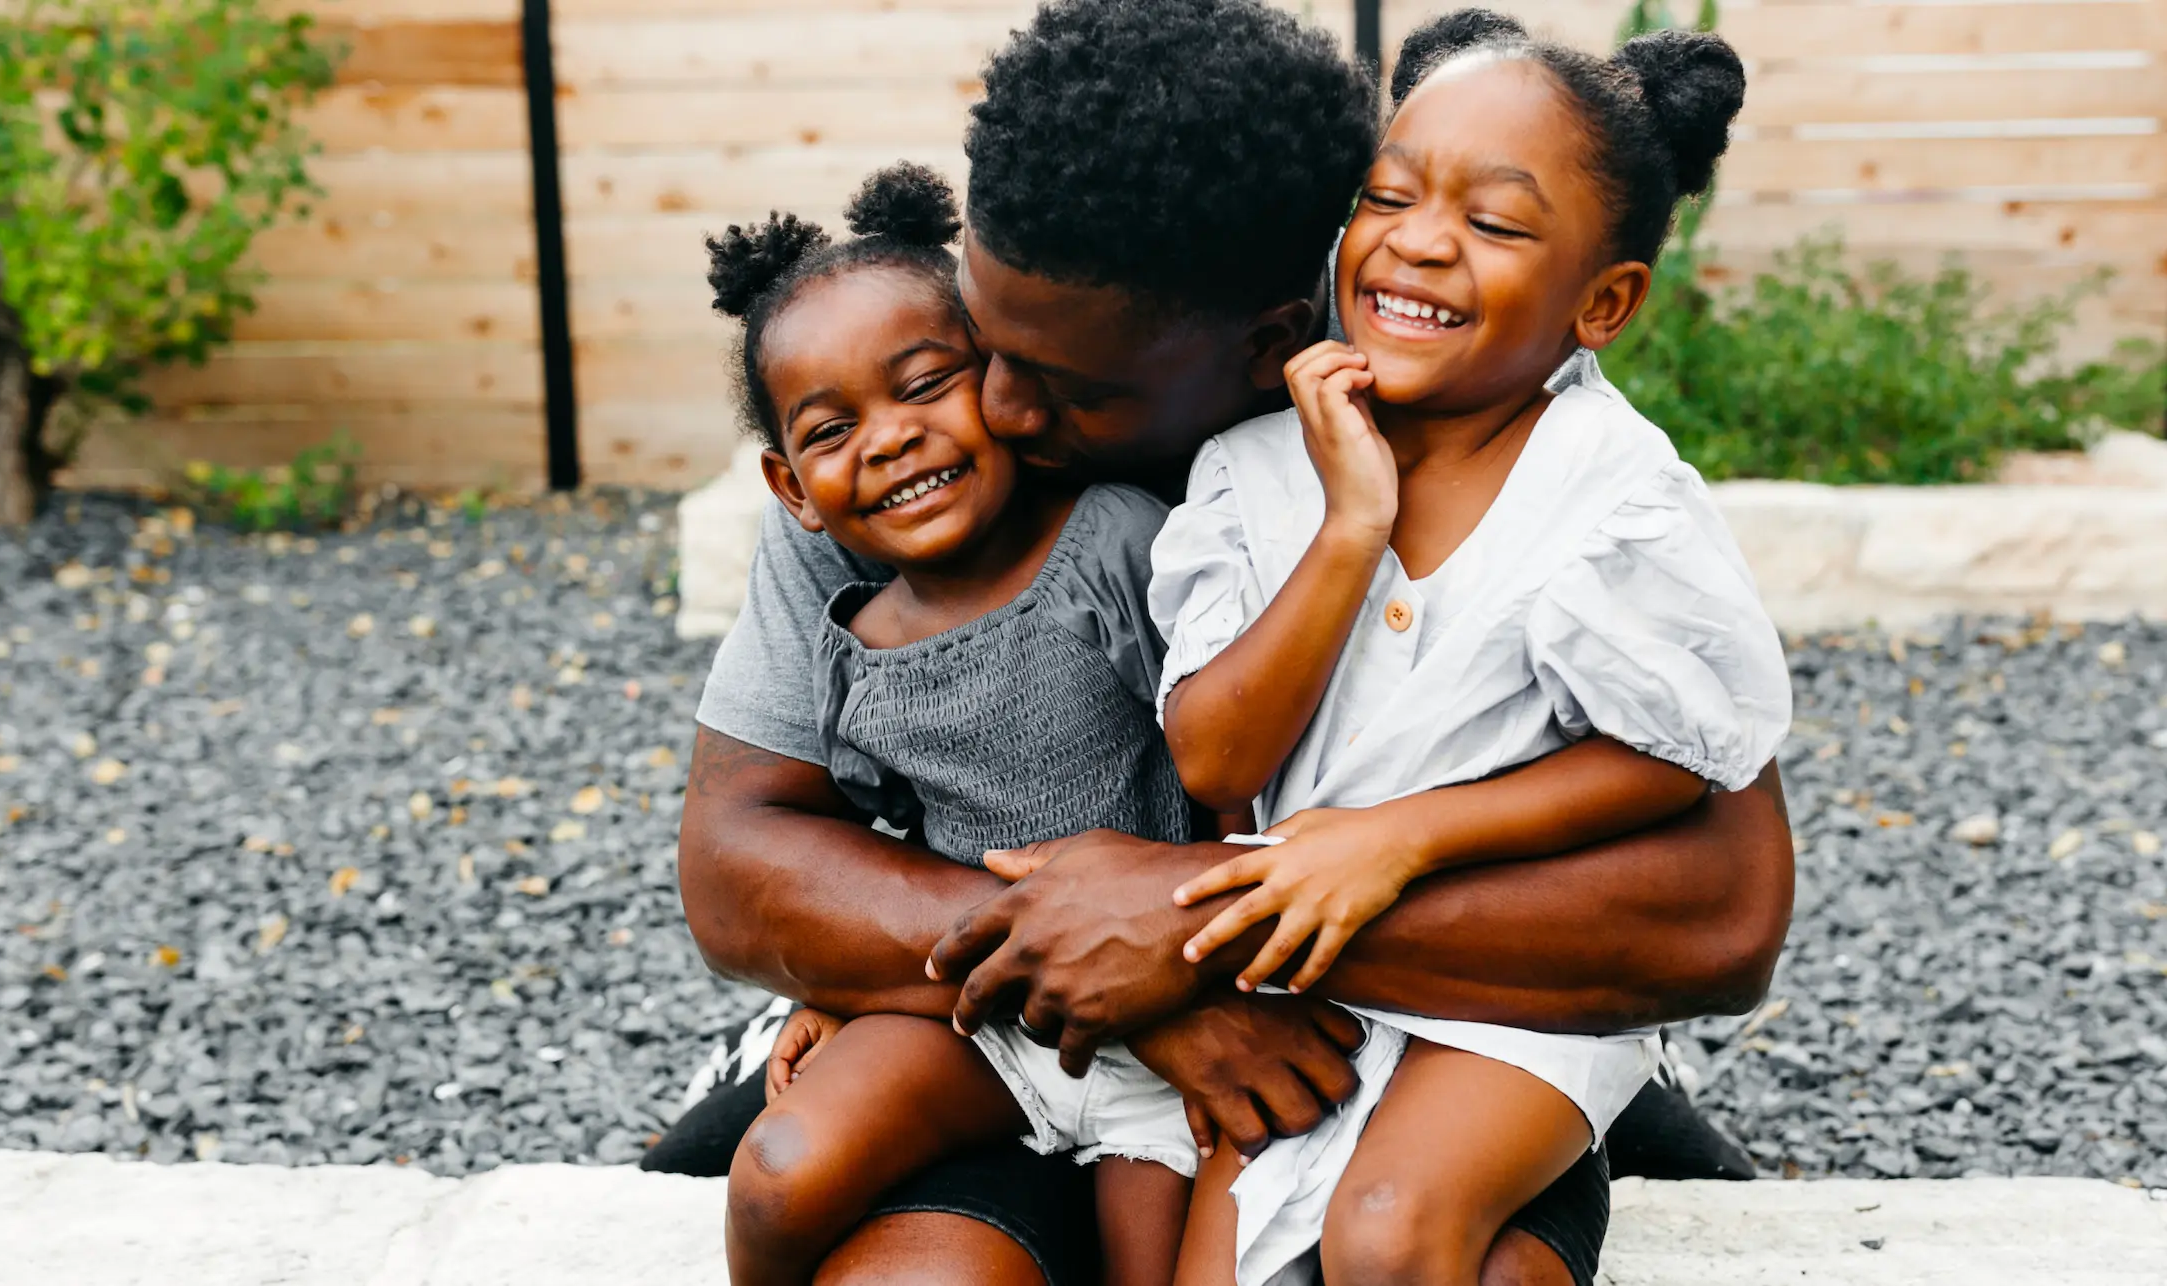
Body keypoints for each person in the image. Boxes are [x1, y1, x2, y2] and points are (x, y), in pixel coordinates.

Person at [651, 3, 1794, 1283]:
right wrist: (1143, 975)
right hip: (1005, 1018)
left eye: (1076, 388)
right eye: (984, 342)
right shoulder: (906, 430)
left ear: (1269, 347)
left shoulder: (1444, 397)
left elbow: (1724, 911)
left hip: (1392, 1023)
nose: (1001, 406)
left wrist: (1194, 935)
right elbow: (738, 859)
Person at [1145, 23, 1780, 1285]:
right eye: (1387, 196)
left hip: (1511, 998)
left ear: (1602, 302)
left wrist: (1403, 834)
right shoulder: (1254, 474)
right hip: (1302, 985)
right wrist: (1351, 525)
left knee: (1390, 1230)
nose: (1420, 240)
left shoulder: (1612, 500)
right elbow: (1216, 749)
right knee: (1216, 1264)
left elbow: (1675, 755)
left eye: (1494, 224)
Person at [703, 163, 1201, 1286]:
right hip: (979, 1004)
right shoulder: (849, 634)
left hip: (1158, 986)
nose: (887, 440)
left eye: (926, 385)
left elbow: (1226, 755)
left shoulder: (1110, 543)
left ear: (1003, 380)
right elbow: (864, 841)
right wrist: (834, 986)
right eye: (835, 430)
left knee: (1156, 1262)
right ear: (789, 487)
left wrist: (1212, 950)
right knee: (781, 1163)